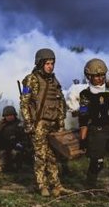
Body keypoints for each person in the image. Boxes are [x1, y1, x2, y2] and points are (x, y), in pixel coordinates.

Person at [19, 48, 72, 197]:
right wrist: (28, 122)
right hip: (38, 124)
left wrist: (61, 123)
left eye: (52, 63)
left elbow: (60, 103)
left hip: (52, 124)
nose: (50, 66)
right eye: (47, 63)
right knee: (40, 155)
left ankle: (56, 186)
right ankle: (41, 185)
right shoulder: (31, 79)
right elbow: (24, 103)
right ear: (40, 63)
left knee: (53, 156)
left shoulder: (54, 81)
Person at [78, 58, 109, 195]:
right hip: (97, 132)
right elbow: (83, 118)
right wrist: (83, 139)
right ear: (89, 76)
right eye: (96, 76)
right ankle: (90, 188)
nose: (100, 78)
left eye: (102, 75)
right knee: (97, 163)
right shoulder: (85, 95)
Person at [0, 105, 30, 173]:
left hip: (16, 150)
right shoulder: (0, 125)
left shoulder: (20, 125)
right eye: (7, 115)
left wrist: (20, 144)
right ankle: (6, 166)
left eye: (11, 115)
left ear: (14, 115)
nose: (9, 117)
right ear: (4, 116)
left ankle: (17, 167)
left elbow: (26, 139)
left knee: (16, 155)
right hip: (4, 149)